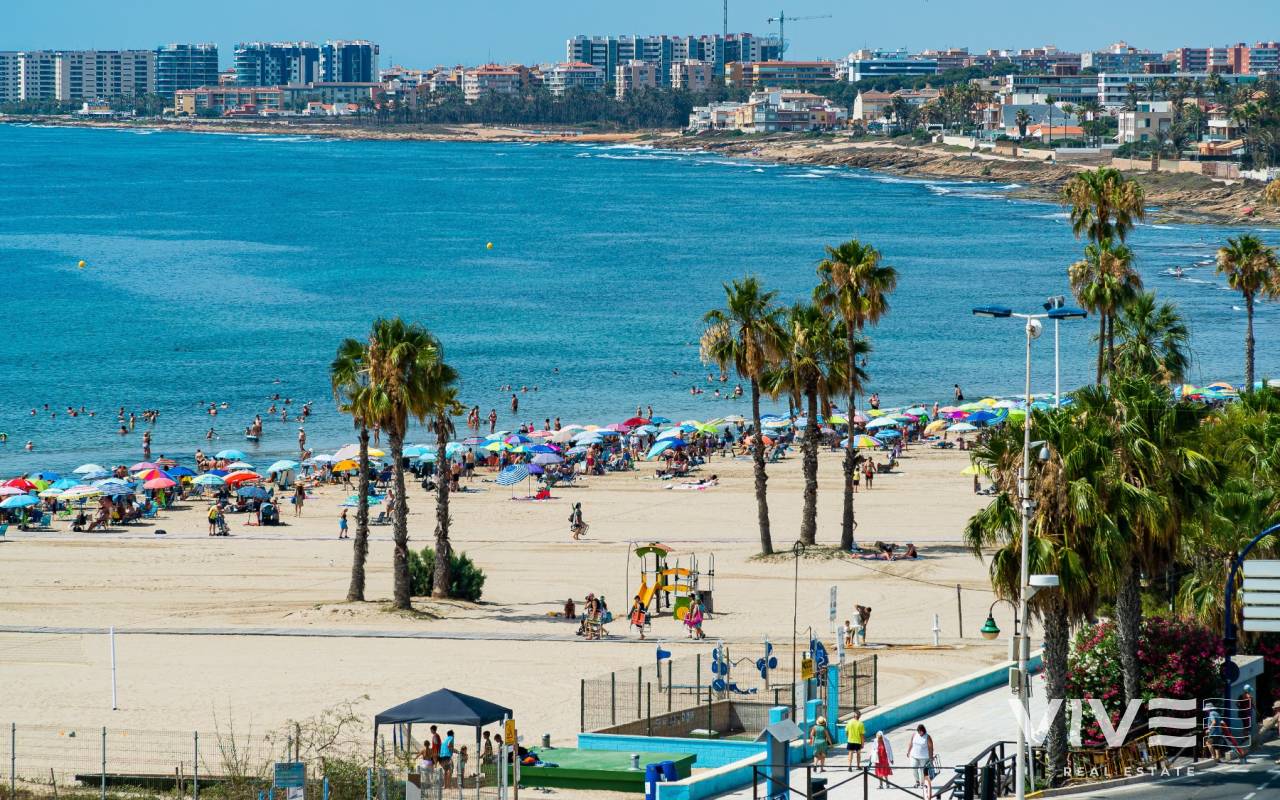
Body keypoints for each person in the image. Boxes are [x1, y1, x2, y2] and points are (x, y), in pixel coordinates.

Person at [907, 724, 934, 793]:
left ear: (923, 731)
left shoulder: (927, 737)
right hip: (914, 755)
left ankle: (922, 783)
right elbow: (911, 743)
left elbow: (930, 748)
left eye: (920, 731)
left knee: (922, 770)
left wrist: (931, 757)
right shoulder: (914, 735)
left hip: (924, 757)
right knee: (913, 767)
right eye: (918, 731)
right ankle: (917, 781)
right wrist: (908, 751)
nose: (919, 733)